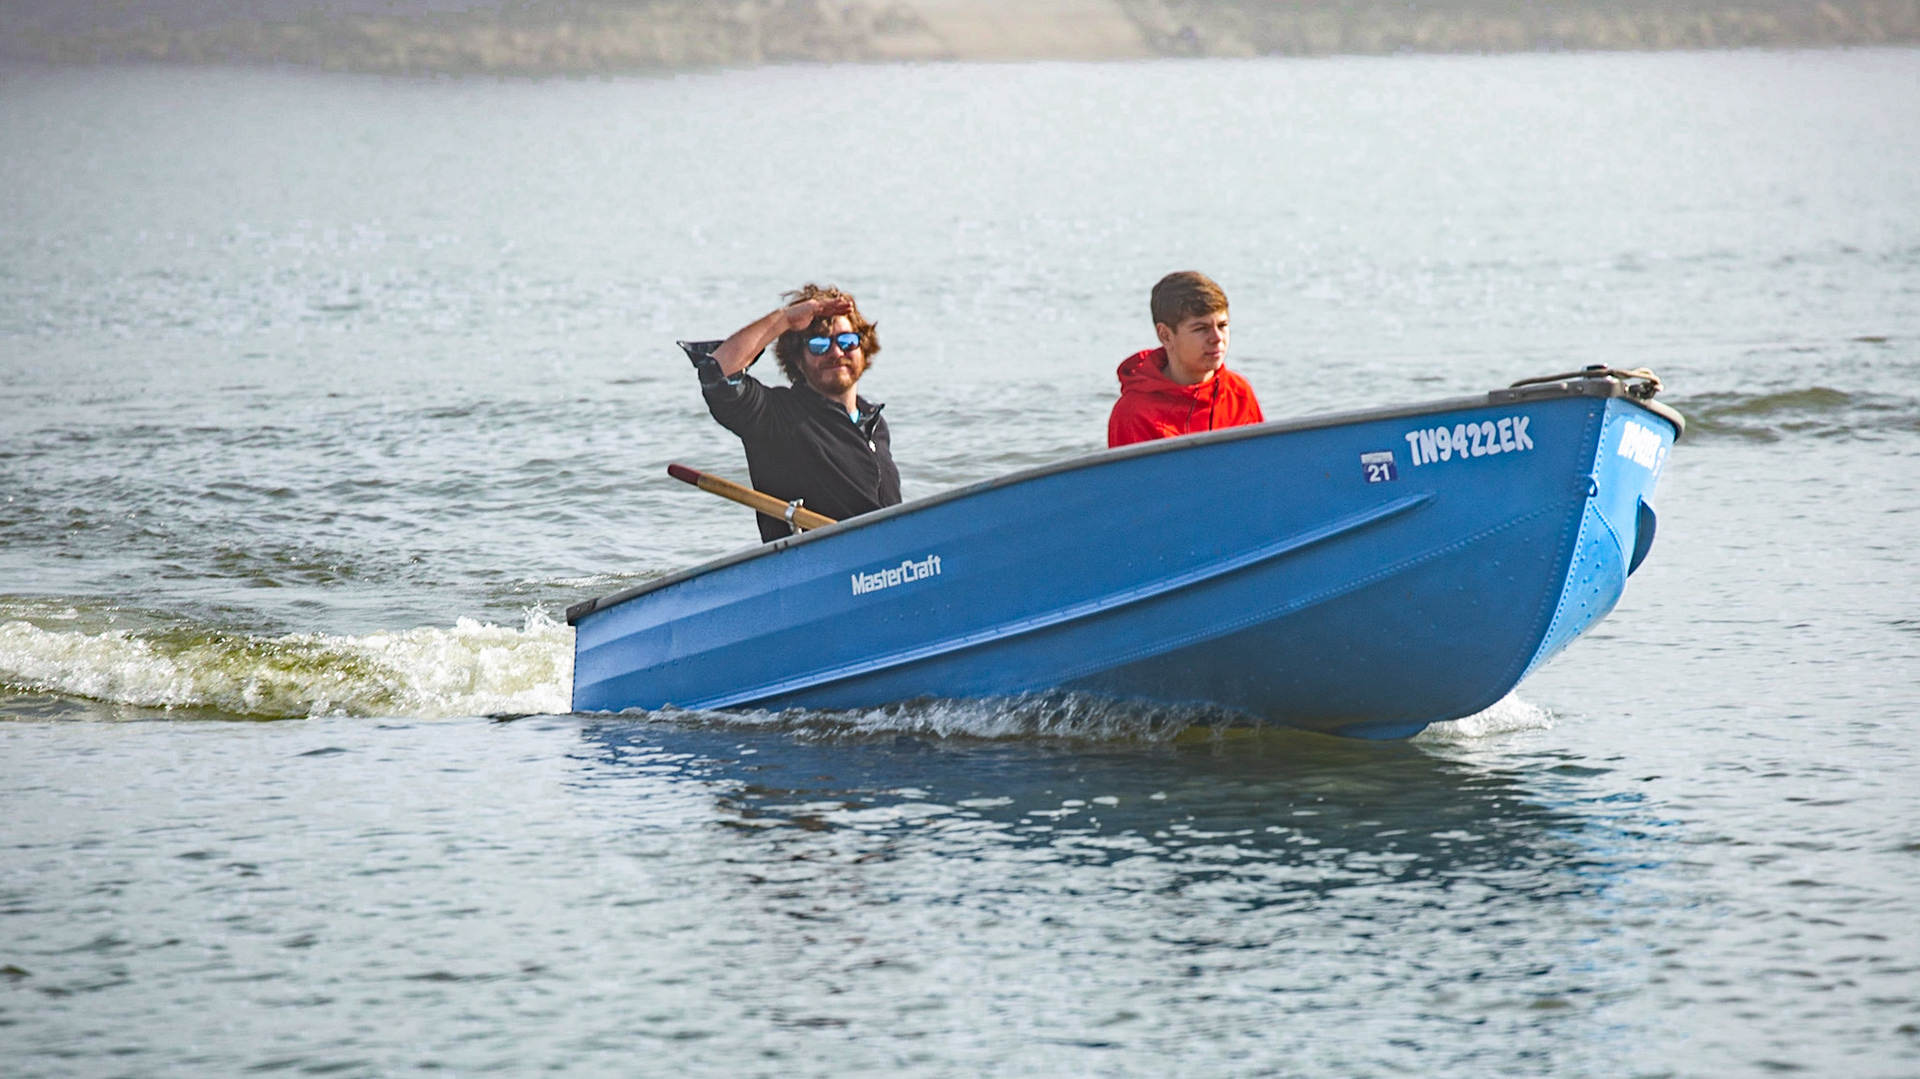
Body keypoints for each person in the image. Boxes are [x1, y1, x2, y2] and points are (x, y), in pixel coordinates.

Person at [681, 284, 901, 542]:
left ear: (863, 350)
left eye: (847, 341)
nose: (836, 352)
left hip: (888, 563)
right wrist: (784, 320)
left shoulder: (875, 424)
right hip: (816, 568)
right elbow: (719, 373)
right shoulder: (775, 416)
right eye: (819, 344)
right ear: (798, 359)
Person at [1107, 271, 1264, 448]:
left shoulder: (1238, 392)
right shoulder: (1134, 413)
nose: (1217, 337)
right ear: (1165, 335)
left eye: (1222, 325)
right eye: (1201, 328)